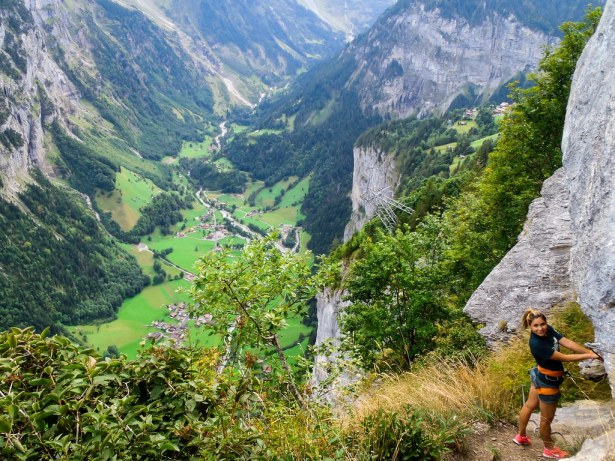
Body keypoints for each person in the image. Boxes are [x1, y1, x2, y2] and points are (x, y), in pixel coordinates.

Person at [513, 308, 601, 459]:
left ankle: (521, 436)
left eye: (543, 324)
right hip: (548, 382)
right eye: (536, 326)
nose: (540, 328)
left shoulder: (548, 330)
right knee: (546, 420)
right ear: (530, 326)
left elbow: (566, 342)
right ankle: (549, 449)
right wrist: (588, 355)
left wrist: (590, 353)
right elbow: (564, 357)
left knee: (529, 405)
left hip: (539, 374)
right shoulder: (536, 344)